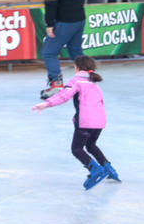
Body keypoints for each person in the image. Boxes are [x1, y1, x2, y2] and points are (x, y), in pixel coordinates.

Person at [32, 55, 119, 190]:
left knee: (77, 149)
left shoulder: (76, 81)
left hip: (85, 122)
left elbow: (63, 95)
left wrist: (46, 104)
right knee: (91, 146)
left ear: (76, 68)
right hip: (99, 122)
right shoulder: (94, 83)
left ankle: (95, 169)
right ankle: (109, 168)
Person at [40, 0, 85, 100]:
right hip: (79, 17)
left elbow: (50, 0)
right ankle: (85, 83)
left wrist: (50, 23)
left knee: (49, 52)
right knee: (76, 52)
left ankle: (56, 84)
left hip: (65, 20)